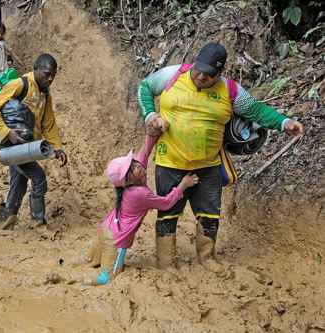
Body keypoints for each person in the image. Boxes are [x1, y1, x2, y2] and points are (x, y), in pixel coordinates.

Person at [138, 42, 304, 271]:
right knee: (168, 212)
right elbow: (145, 87)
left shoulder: (231, 90)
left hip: (208, 166)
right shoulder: (174, 75)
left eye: (208, 75)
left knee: (209, 213)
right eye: (198, 70)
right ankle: (166, 262)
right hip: (170, 162)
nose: (200, 77)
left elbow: (256, 111)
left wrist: (284, 122)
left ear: (220, 73)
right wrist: (150, 115)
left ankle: (207, 258)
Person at [82, 130, 199, 285]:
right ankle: (78, 281)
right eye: (131, 169)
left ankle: (69, 272)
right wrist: (183, 185)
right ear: (128, 181)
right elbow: (165, 203)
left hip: (105, 230)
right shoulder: (138, 193)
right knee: (107, 277)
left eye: (133, 163)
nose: (137, 166)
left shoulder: (134, 176)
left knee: (88, 261)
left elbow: (144, 152)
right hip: (116, 241)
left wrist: (152, 134)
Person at [0, 53, 67, 229]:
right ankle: (38, 223)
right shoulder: (19, 85)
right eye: (46, 74)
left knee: (19, 183)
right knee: (38, 177)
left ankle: (5, 223)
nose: (50, 78)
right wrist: (8, 133)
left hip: (27, 147)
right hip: (12, 147)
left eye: (53, 75)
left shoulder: (45, 93)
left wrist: (57, 147)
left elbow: (48, 123)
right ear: (35, 69)